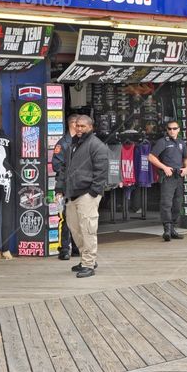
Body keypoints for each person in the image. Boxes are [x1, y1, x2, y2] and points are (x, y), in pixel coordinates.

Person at [56, 115, 108, 278]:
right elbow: (64, 168)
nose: (79, 129)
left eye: (83, 126)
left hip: (87, 193)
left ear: (91, 127)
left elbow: (102, 171)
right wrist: (60, 188)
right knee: (74, 228)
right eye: (77, 125)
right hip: (72, 193)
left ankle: (88, 264)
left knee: (88, 229)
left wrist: (93, 192)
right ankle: (86, 259)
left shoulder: (97, 145)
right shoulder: (72, 144)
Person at [148, 120, 187, 242]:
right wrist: (164, 167)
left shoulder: (182, 143)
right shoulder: (162, 142)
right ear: (167, 130)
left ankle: (172, 229)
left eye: (174, 128)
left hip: (179, 176)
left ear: (178, 130)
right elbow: (151, 157)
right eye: (169, 128)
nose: (172, 130)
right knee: (166, 203)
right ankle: (166, 229)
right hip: (168, 176)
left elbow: (186, 158)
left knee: (177, 204)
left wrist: (186, 168)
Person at [53, 114, 80, 261]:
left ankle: (76, 247)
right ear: (73, 124)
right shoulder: (63, 143)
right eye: (79, 124)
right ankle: (64, 248)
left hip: (78, 185)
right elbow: (57, 165)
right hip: (65, 185)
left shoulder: (82, 142)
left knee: (77, 217)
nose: (80, 127)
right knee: (64, 218)